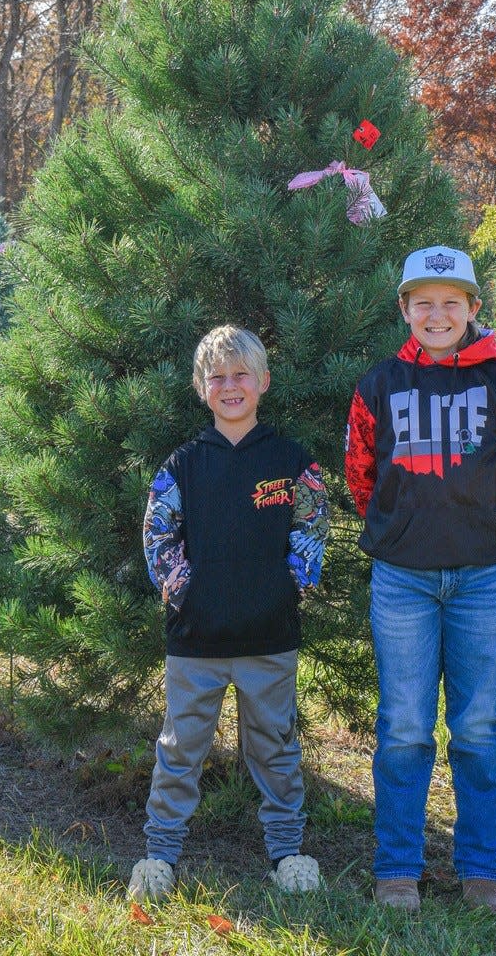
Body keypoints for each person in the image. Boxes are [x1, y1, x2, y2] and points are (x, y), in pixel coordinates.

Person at [345, 245, 496, 914]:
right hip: (403, 580)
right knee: (403, 724)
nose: (437, 314)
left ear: (472, 309)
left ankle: (483, 865)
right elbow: (360, 477)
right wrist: (403, 533)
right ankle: (398, 864)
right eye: (422, 302)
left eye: (450, 302)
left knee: (479, 723)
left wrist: (486, 532)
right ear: (404, 309)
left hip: (481, 580)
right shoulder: (379, 386)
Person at [128, 324, 329, 902]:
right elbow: (157, 534)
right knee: (180, 747)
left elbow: (312, 526)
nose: (230, 385)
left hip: (270, 634)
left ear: (263, 382)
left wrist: (289, 585)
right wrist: (182, 590)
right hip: (196, 639)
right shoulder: (183, 465)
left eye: (241, 374)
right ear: (201, 388)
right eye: (217, 376)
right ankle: (160, 854)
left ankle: (288, 853)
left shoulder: (292, 461)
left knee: (275, 745)